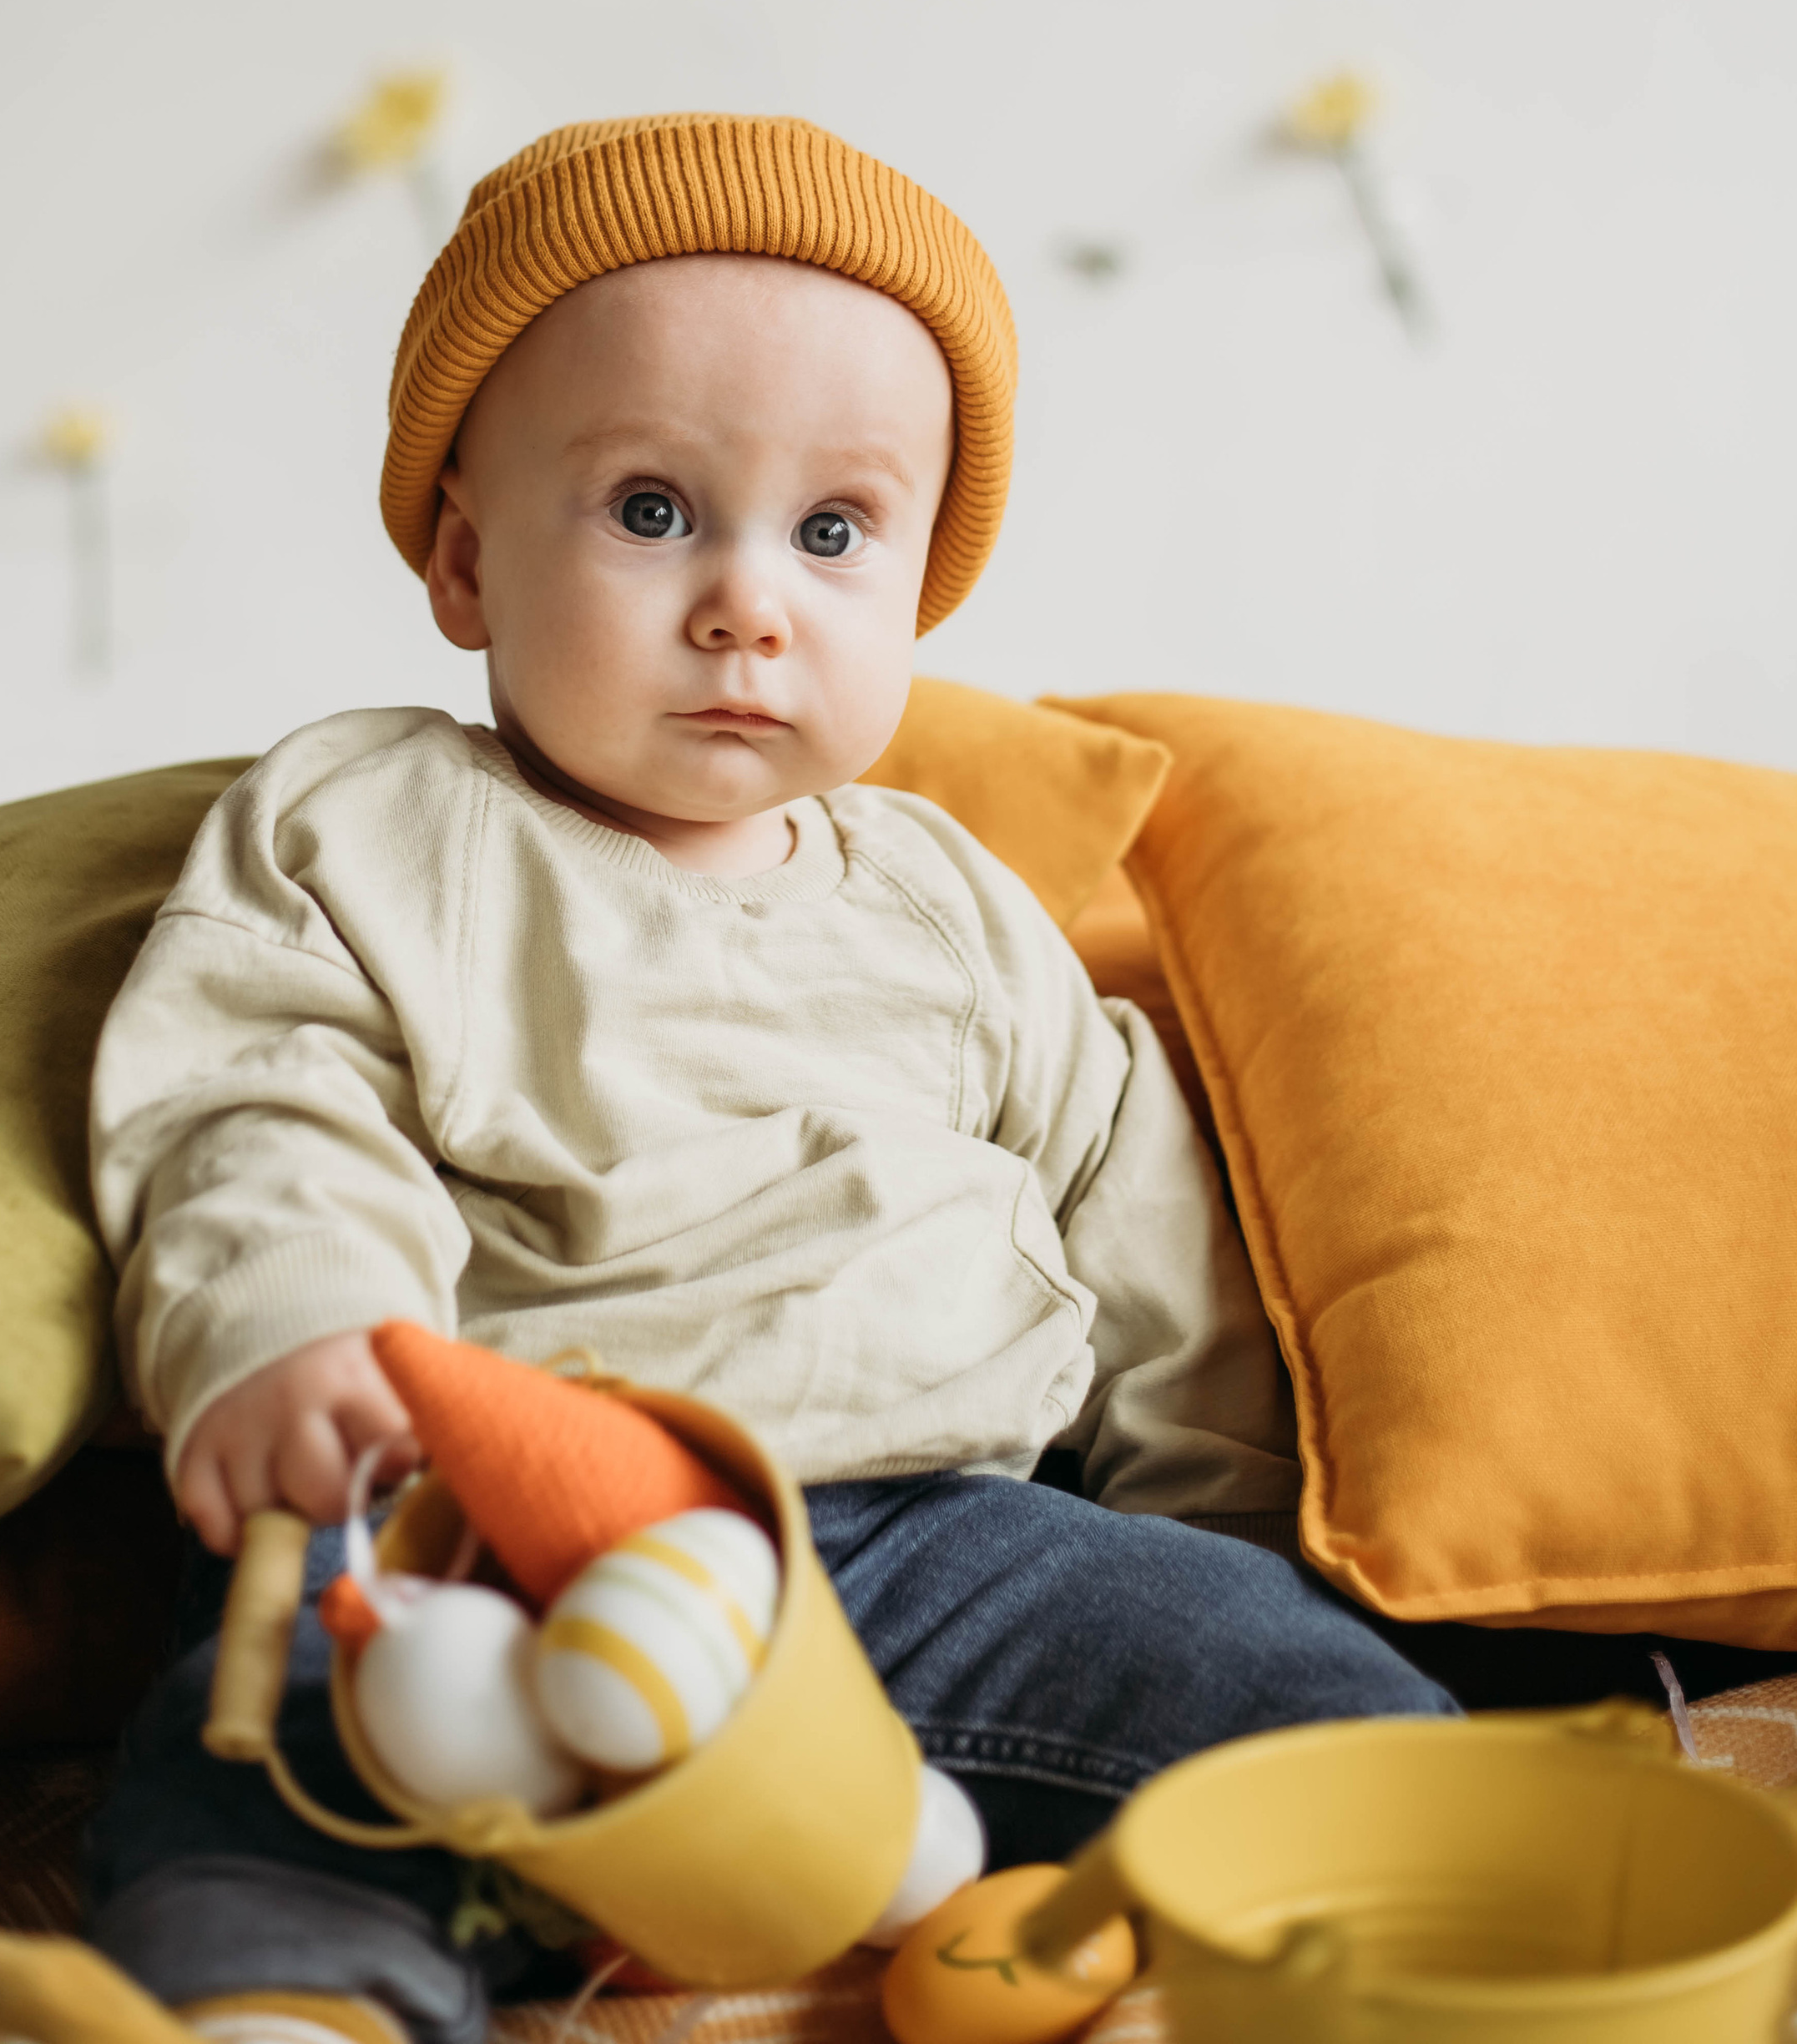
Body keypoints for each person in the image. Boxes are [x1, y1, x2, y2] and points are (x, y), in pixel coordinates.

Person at [78, 112, 1456, 2044]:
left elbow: (1137, 1225)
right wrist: (292, 1332)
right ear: (467, 558)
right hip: (504, 1539)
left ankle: (1283, 1932)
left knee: (1309, 1702)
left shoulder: (951, 905)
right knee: (281, 1740)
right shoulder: (371, 824)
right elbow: (258, 1103)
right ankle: (295, 1997)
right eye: (652, 510)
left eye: (831, 535)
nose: (748, 602)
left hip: (942, 1544)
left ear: (911, 590)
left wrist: (1200, 1538)